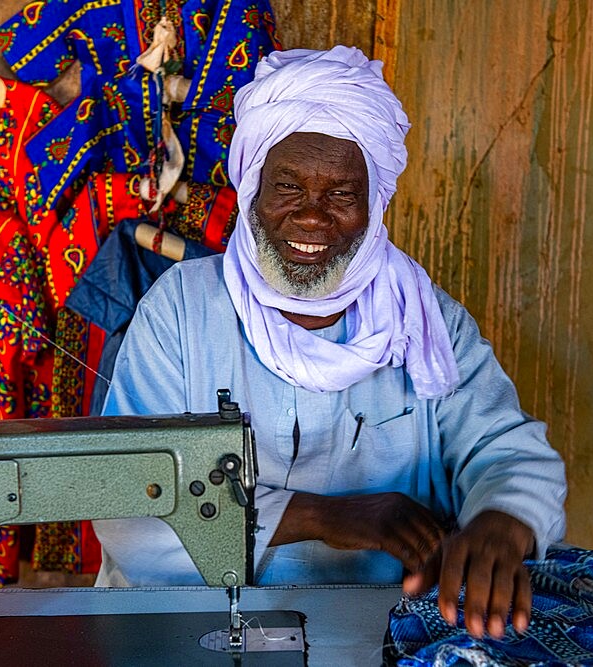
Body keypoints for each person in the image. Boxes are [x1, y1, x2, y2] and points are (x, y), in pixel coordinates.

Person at [94, 46, 567, 640]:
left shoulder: (423, 320)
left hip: (382, 633)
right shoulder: (181, 312)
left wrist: (503, 520)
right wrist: (321, 516)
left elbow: (508, 451)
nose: (313, 217)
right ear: (251, 190)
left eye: (342, 194)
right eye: (288, 186)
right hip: (195, 626)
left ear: (375, 204)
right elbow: (128, 503)